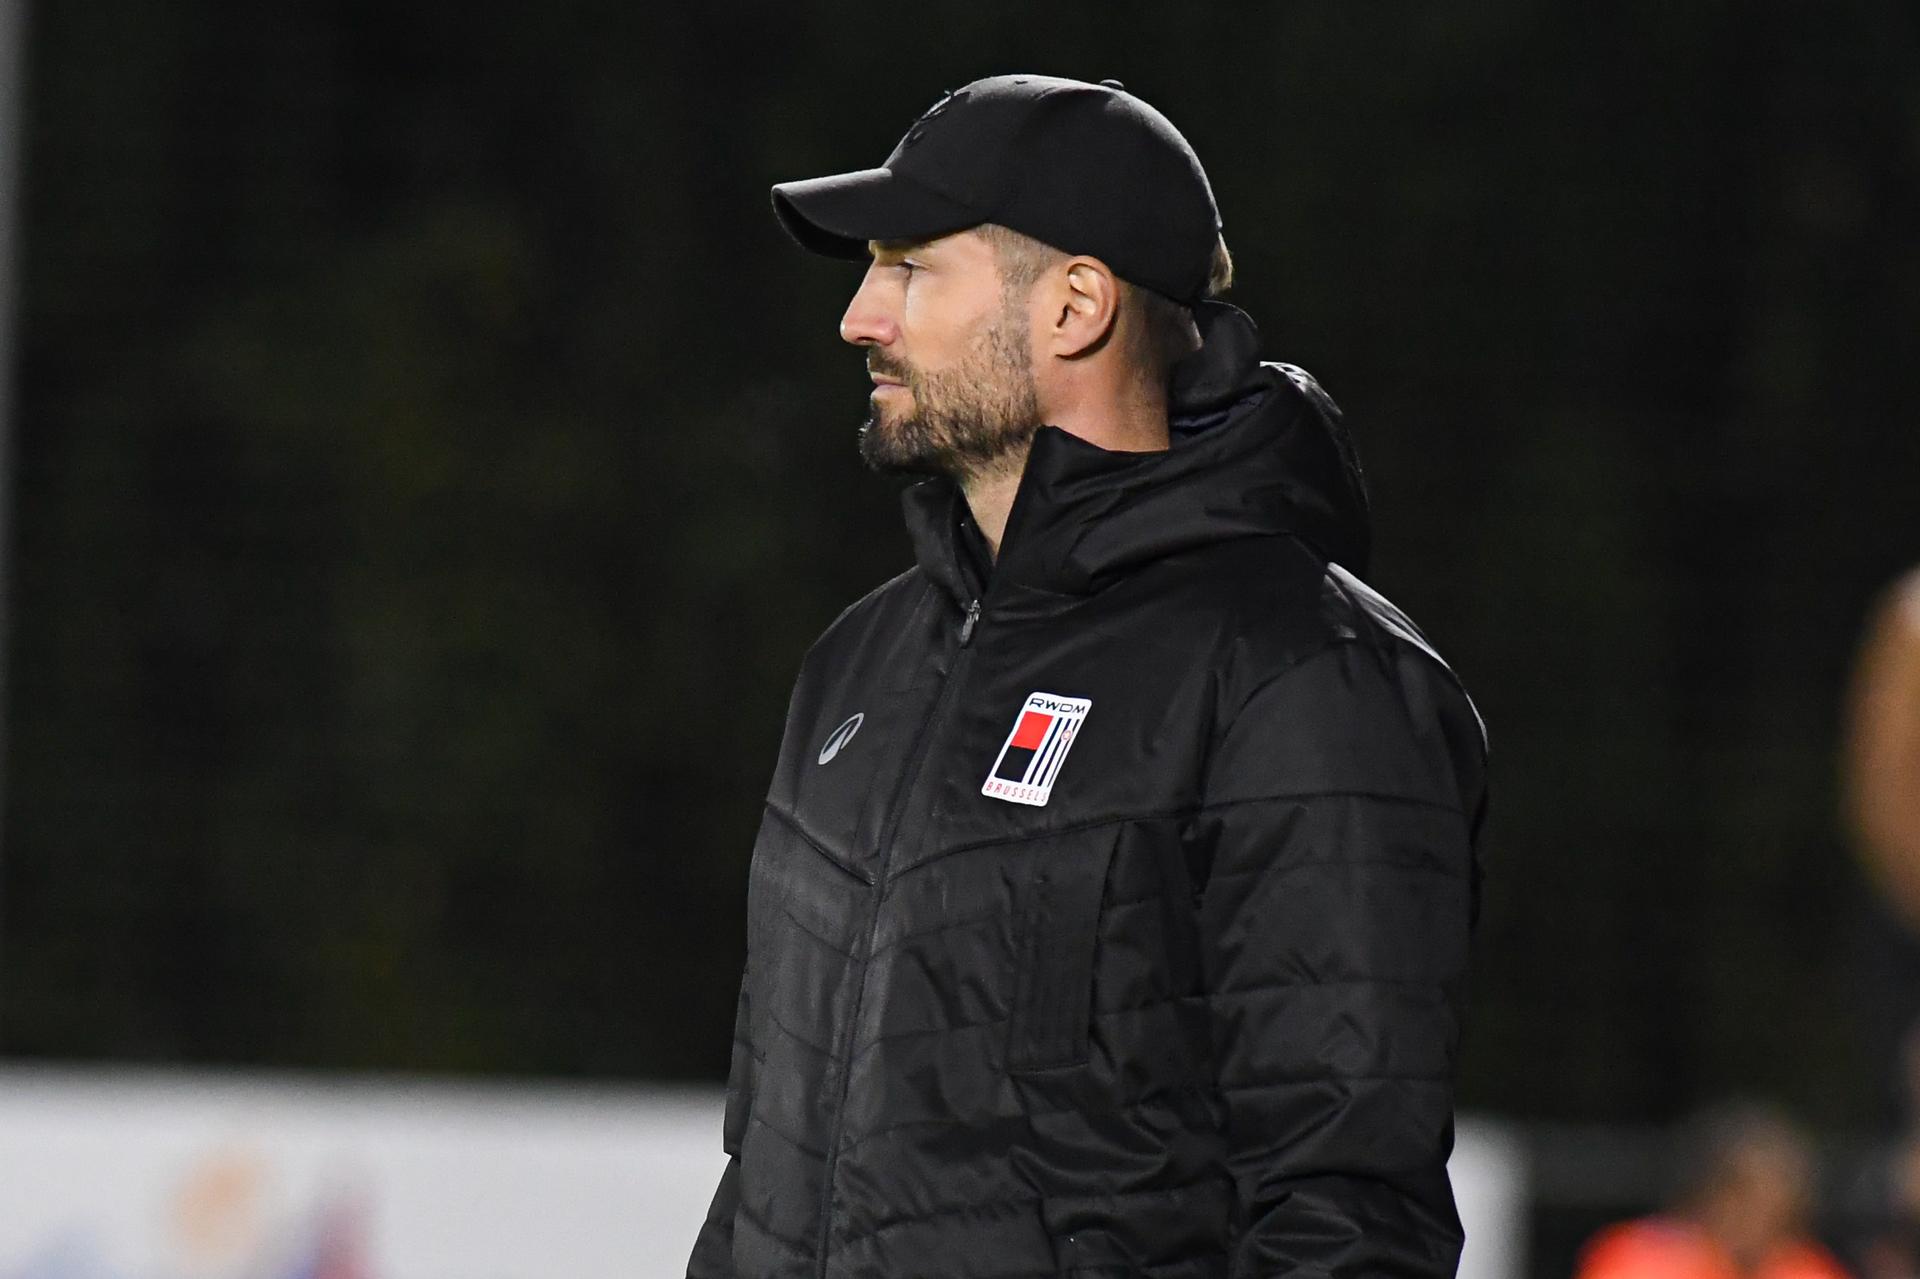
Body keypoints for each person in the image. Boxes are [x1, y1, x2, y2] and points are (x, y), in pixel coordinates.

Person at [687, 74, 1489, 1278]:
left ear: (1073, 306)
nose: (861, 316)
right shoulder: (861, 662)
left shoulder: (1304, 675)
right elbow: (769, 1169)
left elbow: (1344, 1216)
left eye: (910, 267)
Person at [1572, 1102, 1852, 1279]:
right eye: (1746, 1202)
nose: (1756, 1224)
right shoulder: (1645, 1257)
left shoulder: (1804, 1268)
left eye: (1779, 1216)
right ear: (1711, 1195)